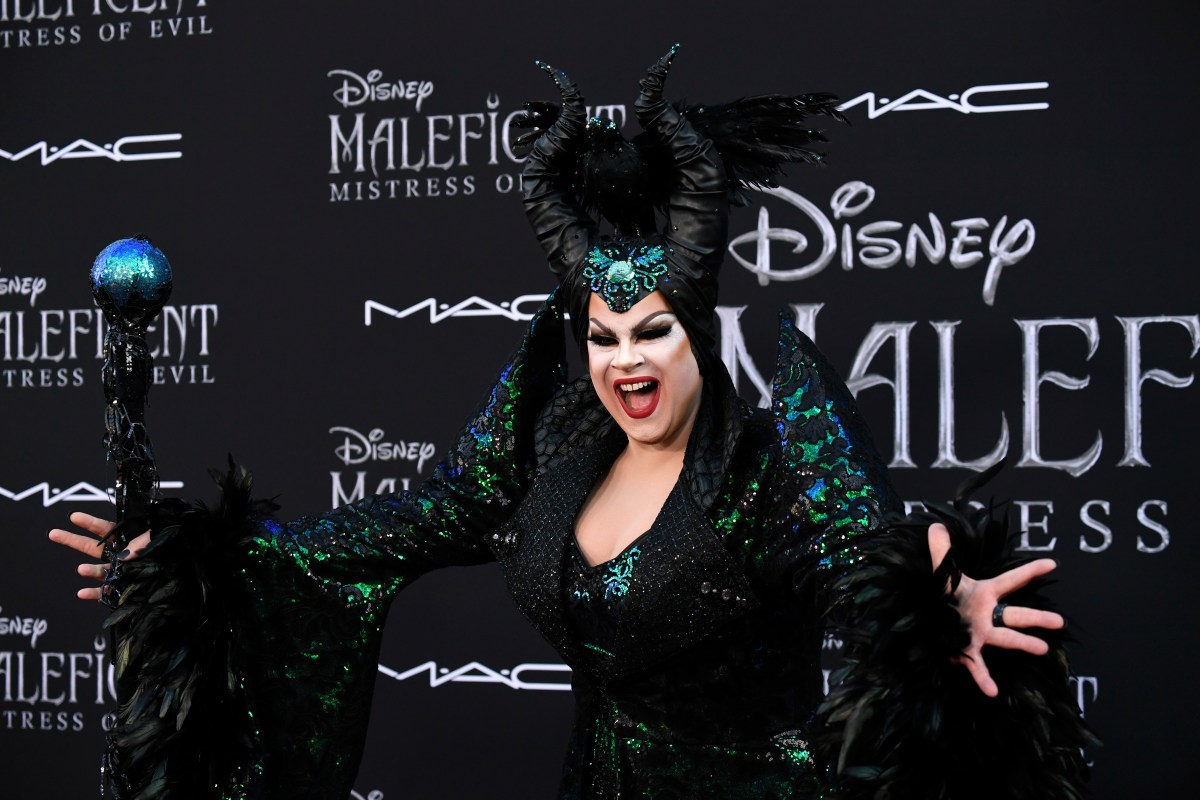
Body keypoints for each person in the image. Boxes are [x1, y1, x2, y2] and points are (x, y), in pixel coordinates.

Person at [50, 48, 1092, 800]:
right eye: (602, 336)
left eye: (652, 332)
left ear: (696, 338)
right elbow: (359, 545)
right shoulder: (548, 460)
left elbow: (861, 564)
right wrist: (199, 567)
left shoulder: (767, 475)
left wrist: (933, 606)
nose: (625, 360)